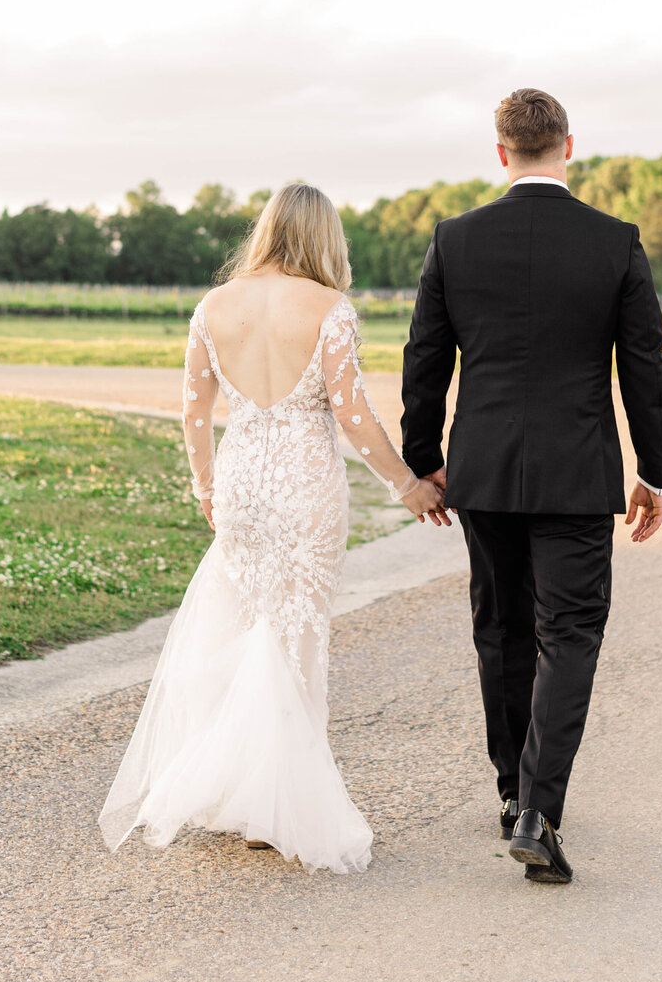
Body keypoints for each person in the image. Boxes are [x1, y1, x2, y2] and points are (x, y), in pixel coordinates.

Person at [99, 182, 445, 875]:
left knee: (248, 624)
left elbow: (194, 411)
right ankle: (273, 808)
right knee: (298, 632)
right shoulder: (329, 310)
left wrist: (206, 486)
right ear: (324, 239)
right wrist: (406, 482)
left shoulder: (214, 307)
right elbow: (352, 415)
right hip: (304, 483)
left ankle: (244, 792)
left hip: (243, 482)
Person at [401, 88, 662, 884]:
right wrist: (652, 470)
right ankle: (536, 808)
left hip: (482, 470)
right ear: (567, 146)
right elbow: (644, 365)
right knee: (571, 636)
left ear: (500, 153)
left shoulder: (455, 240)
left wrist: (426, 459)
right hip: (576, 471)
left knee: (502, 631)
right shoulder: (613, 241)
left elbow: (426, 358)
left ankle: (510, 794)